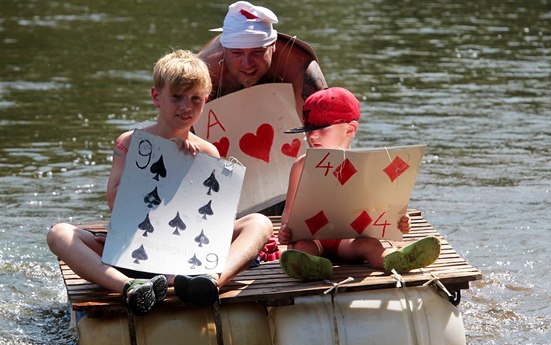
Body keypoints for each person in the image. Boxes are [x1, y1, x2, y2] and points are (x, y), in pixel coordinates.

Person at [47, 49, 272, 315]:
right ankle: (130, 287)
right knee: (59, 233)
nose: (186, 107)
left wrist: (188, 165)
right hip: (130, 252)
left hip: (186, 255)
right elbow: (115, 203)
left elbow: (208, 219)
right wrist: (165, 157)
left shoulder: (208, 152)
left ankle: (210, 282)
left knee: (260, 222)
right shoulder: (129, 142)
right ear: (157, 96)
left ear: (206, 100)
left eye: (195, 99)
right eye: (176, 97)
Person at [278, 87, 441, 281]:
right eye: (309, 130)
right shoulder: (301, 166)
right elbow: (288, 211)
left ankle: (396, 259)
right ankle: (315, 268)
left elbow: (384, 206)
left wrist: (400, 221)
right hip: (313, 240)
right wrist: (286, 230)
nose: (313, 136)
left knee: (370, 245)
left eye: (322, 129)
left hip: (348, 241)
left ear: (350, 129)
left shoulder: (369, 166)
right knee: (302, 248)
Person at [197, 1, 328, 120]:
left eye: (257, 52)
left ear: (273, 45)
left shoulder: (297, 65)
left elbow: (323, 127)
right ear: (224, 50)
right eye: (237, 53)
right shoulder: (205, 69)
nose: (247, 64)